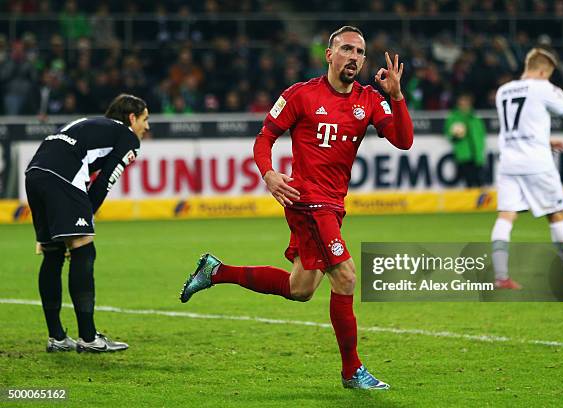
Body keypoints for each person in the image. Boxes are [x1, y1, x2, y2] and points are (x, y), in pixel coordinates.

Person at [179, 26, 413, 390]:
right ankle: (352, 371)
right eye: (347, 49)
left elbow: (403, 140)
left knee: (301, 287)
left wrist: (397, 96)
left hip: (333, 205)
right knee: (347, 277)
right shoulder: (300, 95)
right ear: (329, 54)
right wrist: (269, 174)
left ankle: (216, 271)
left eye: (360, 52)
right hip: (307, 200)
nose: (354, 57)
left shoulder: (369, 99)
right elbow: (264, 139)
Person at [25, 94, 149, 352]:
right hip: (62, 176)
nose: (147, 127)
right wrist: (84, 221)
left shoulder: (91, 124)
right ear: (132, 118)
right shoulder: (127, 137)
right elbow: (105, 181)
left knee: (52, 253)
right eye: (145, 119)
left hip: (35, 172)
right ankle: (89, 338)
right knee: (83, 248)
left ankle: (57, 338)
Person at [491, 45, 563, 290]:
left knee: (506, 216)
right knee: (556, 215)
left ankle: (501, 277)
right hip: (536, 163)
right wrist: (556, 90)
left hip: (509, 162)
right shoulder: (544, 87)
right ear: (542, 72)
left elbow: (516, 127)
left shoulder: (503, 91)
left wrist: (545, 140)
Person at [444, 92, 486, 187]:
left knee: (480, 183)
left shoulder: (475, 118)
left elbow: (481, 136)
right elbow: (449, 134)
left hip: (477, 155)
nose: (465, 103)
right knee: (469, 183)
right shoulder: (453, 117)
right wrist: (455, 135)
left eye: (467, 101)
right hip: (464, 155)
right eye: (463, 100)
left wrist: (480, 150)